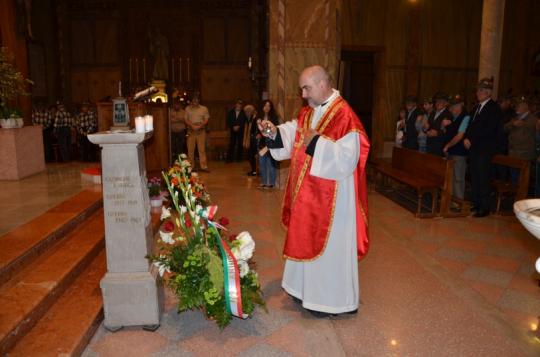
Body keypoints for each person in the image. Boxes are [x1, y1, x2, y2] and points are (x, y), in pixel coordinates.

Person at [260, 65, 370, 317]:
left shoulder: (345, 115)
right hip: (307, 194)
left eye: (306, 88)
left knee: (328, 248)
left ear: (322, 84)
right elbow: (293, 131)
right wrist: (273, 132)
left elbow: (348, 157)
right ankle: (303, 290)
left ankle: (327, 301)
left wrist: (317, 143)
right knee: (304, 237)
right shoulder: (310, 112)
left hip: (332, 199)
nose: (303, 94)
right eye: (301, 89)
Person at [463, 78, 502, 217]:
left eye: (481, 90)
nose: (478, 93)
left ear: (488, 92)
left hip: (484, 149)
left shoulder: (493, 108)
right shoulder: (476, 108)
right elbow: (470, 126)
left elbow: (488, 130)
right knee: (474, 176)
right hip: (474, 148)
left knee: (483, 177)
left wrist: (471, 139)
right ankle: (476, 203)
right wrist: (466, 137)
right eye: (478, 90)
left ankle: (484, 208)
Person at [443, 95, 470, 200]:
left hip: (459, 153)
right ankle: (452, 200)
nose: (452, 109)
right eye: (451, 106)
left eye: (455, 106)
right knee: (451, 178)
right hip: (451, 152)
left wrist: (448, 145)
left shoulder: (465, 117)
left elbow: (459, 136)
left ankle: (459, 202)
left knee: (458, 178)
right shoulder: (453, 117)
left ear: (461, 106)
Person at [505, 96, 537, 183]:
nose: (516, 106)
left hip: (524, 154)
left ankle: (520, 195)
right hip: (513, 152)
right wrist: (513, 124)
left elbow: (533, 129)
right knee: (514, 178)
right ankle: (514, 194)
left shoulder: (533, 119)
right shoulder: (515, 118)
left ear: (525, 106)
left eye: (519, 105)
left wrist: (524, 124)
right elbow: (505, 127)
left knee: (522, 180)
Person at [257, 100, 279, 189]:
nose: (267, 108)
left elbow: (273, 131)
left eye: (269, 106)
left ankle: (271, 183)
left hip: (271, 144)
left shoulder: (273, 118)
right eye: (265, 105)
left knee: (270, 164)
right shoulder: (258, 118)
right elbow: (254, 131)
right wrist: (257, 134)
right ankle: (263, 182)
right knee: (262, 164)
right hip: (262, 144)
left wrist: (262, 130)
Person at [185, 94, 210, 172]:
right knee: (190, 149)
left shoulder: (204, 108)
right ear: (191, 100)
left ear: (199, 100)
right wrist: (192, 125)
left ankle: (204, 166)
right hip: (191, 130)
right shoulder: (187, 109)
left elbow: (206, 120)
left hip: (201, 130)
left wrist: (199, 126)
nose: (195, 101)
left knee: (201, 150)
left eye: (197, 99)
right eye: (194, 99)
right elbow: (186, 119)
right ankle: (191, 167)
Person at [426, 92, 452, 156]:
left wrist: (437, 133)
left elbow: (449, 131)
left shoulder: (449, 114)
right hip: (429, 145)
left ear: (446, 103)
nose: (438, 103)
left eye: (441, 101)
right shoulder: (432, 113)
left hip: (440, 146)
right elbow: (428, 126)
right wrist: (426, 130)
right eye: (437, 101)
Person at [243, 104, 259, 176]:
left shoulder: (255, 118)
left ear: (250, 111)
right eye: (245, 112)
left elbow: (256, 129)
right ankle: (253, 170)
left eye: (247, 112)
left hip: (254, 140)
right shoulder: (248, 119)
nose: (246, 113)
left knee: (253, 156)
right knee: (250, 156)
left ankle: (255, 171)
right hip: (250, 139)